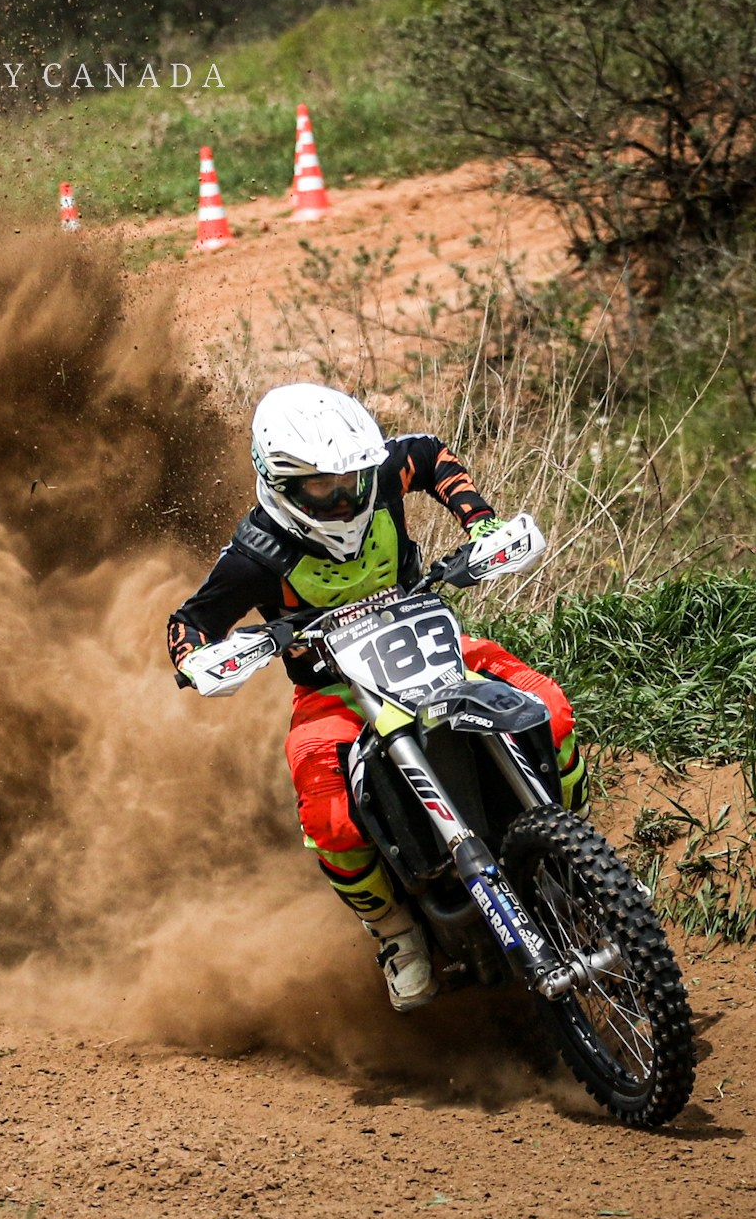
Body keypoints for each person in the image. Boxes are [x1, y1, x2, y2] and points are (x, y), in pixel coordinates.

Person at [167, 383, 584, 1011]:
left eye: (352, 481)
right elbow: (189, 622)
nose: (344, 496)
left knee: (545, 705)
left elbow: (433, 454)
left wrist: (481, 523)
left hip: (434, 651)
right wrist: (204, 659)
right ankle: (394, 933)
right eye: (322, 488)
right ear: (277, 484)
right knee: (325, 802)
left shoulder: (382, 474)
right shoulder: (255, 554)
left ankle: (575, 853)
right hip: (335, 692)